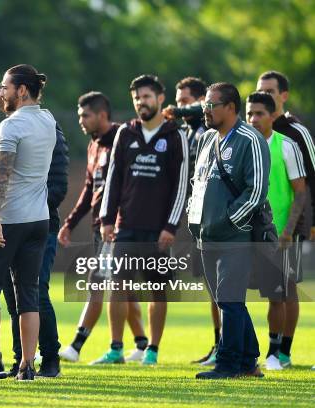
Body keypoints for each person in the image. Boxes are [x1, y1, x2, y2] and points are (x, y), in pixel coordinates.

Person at [0, 67, 69, 378]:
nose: (2, 92)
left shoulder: (10, 127)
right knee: (28, 293)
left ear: (21, 90)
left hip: (10, 220)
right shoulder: (47, 120)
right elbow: (14, 109)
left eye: (6, 87)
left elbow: (0, 174)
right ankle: (27, 366)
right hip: (39, 222)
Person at [97, 74, 188, 365]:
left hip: (158, 230)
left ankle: (153, 350)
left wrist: (170, 226)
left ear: (160, 99)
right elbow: (113, 178)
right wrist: (107, 218)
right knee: (118, 286)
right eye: (137, 97)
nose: (141, 102)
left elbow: (181, 185)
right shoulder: (126, 133)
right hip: (126, 226)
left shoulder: (175, 136)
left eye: (147, 96)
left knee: (157, 291)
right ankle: (115, 349)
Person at [57, 91, 147, 364]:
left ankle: (75, 346)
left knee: (98, 283)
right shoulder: (93, 145)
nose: (81, 121)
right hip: (101, 227)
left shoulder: (124, 139)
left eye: (86, 115)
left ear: (102, 115)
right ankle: (143, 345)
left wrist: (122, 219)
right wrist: (70, 223)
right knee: (124, 289)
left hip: (117, 227)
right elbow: (89, 190)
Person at [189, 82, 269, 379]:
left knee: (230, 300)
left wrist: (229, 220)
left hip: (236, 236)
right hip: (206, 236)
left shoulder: (251, 139)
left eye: (211, 105)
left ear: (231, 108)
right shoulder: (208, 138)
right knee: (228, 300)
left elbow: (257, 189)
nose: (205, 110)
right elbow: (198, 183)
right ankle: (249, 362)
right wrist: (195, 220)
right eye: (204, 105)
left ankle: (228, 364)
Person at [256, 71, 314, 367]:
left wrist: (308, 222)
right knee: (272, 290)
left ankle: (284, 351)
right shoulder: (253, 130)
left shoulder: (295, 132)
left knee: (287, 286)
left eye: (270, 91)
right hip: (261, 226)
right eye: (260, 90)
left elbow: (310, 180)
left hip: (293, 223)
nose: (265, 94)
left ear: (284, 95)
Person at [246, 91, 307, 371]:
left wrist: (288, 231)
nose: (253, 119)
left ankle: (274, 353)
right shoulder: (242, 145)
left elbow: (300, 192)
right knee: (231, 294)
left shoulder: (286, 146)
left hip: (277, 235)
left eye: (259, 113)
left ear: (273, 116)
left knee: (277, 295)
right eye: (249, 113)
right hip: (245, 234)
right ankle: (234, 349)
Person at [164, 77, 220, 365]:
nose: (178, 106)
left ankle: (230, 345)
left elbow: (199, 109)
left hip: (216, 219)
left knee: (222, 286)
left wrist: (181, 110)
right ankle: (218, 343)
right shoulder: (185, 133)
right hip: (198, 219)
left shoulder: (206, 127)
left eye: (184, 100)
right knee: (211, 285)